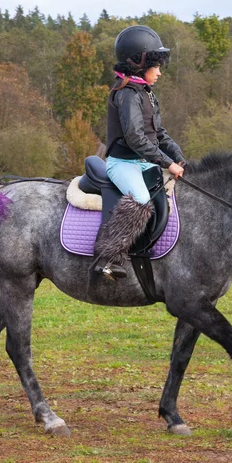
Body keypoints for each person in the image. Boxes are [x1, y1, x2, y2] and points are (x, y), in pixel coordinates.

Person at [93, 25, 186, 281]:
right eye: (155, 67)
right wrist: (168, 163)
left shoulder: (146, 92)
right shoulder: (126, 94)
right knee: (142, 199)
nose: (159, 73)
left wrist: (177, 155)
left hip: (144, 162)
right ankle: (107, 259)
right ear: (139, 64)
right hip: (123, 163)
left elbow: (159, 132)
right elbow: (135, 138)